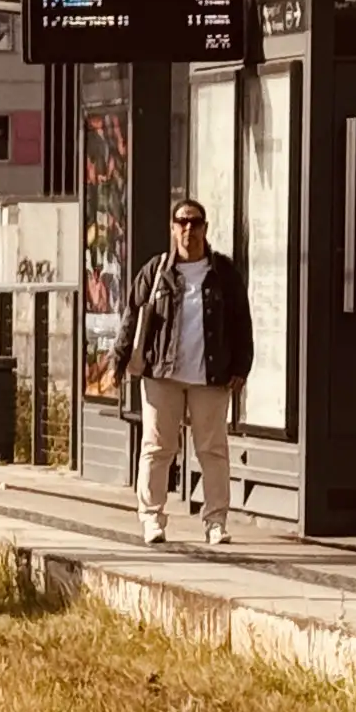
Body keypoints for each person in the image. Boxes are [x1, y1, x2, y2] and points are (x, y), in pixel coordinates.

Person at [114, 198, 251, 545]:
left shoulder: (223, 273)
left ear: (205, 228)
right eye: (182, 222)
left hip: (211, 375)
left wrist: (241, 365)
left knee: (212, 449)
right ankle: (152, 518)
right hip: (162, 373)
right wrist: (118, 360)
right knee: (157, 447)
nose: (189, 229)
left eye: (196, 222)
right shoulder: (157, 270)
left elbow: (241, 321)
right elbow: (132, 315)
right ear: (173, 228)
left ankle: (216, 521)